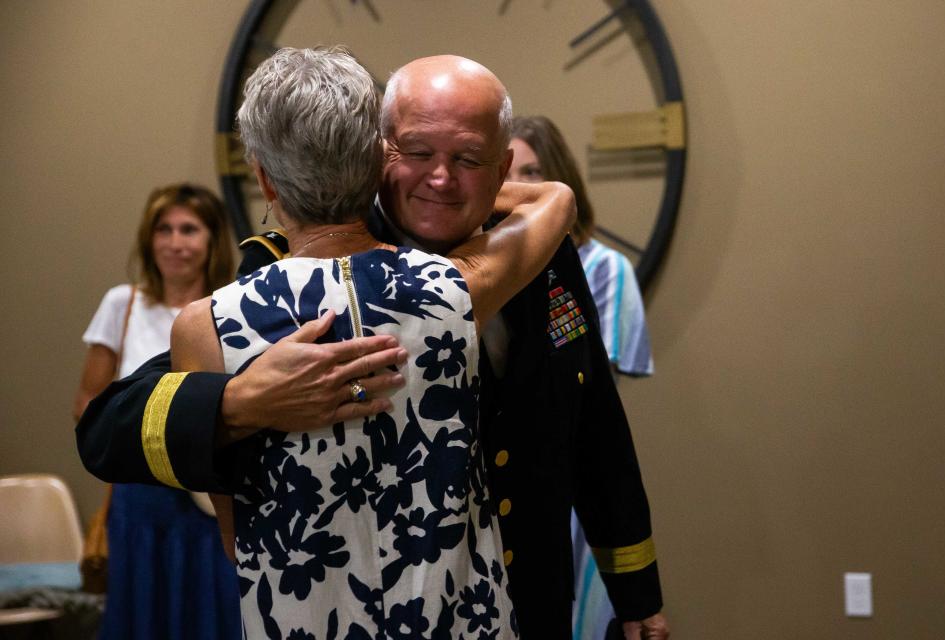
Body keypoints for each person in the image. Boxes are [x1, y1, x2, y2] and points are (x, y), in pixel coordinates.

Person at [77, 54, 667, 639]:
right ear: (378, 153)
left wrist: (637, 594)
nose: (440, 178)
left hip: (527, 599)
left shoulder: (543, 256)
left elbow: (596, 429)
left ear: (504, 165)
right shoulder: (296, 272)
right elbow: (109, 425)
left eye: (467, 159)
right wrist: (237, 401)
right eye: (418, 154)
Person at [171, 46, 574, 637]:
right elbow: (555, 199)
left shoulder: (203, 327)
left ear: (262, 175)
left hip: (303, 617)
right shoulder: (452, 290)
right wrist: (466, 176)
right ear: (378, 162)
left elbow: (237, 537)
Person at [507, 115, 664, 639]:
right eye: (507, 173)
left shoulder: (596, 269)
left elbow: (593, 402)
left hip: (569, 485)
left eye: (532, 172)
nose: (519, 189)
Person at [73, 183, 241, 639]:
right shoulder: (122, 304)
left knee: (214, 616)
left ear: (211, 240)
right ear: (149, 239)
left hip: (209, 499)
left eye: (189, 229)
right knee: (143, 617)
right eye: (163, 229)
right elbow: (89, 403)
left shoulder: (230, 308)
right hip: (140, 497)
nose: (175, 242)